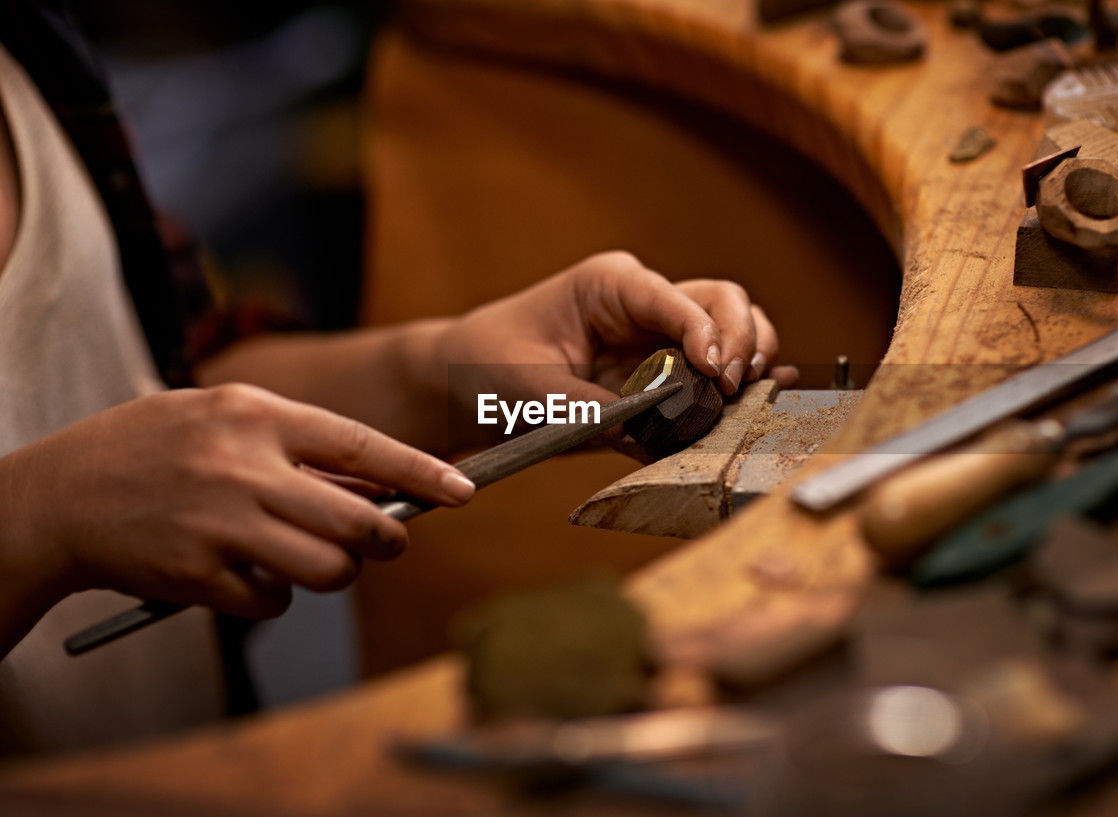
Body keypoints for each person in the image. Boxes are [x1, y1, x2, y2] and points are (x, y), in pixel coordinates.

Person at [0, 2, 796, 752]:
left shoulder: (31, 41)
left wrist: (438, 375)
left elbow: (164, 376)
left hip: (193, 747)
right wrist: (41, 517)